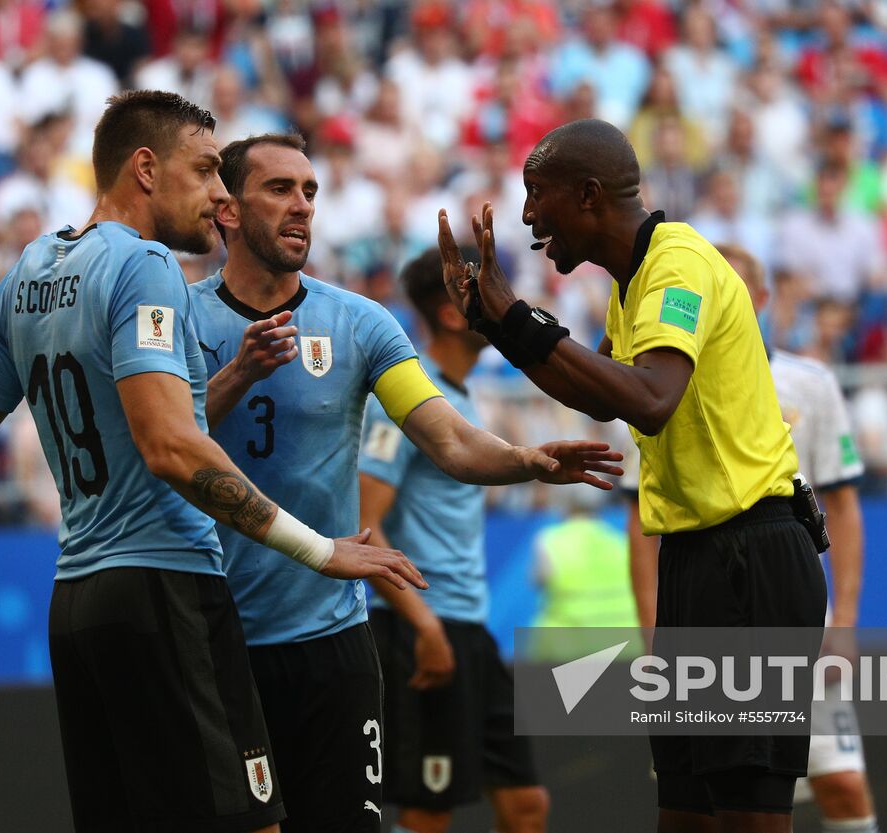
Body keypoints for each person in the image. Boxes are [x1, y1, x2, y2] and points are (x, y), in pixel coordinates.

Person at [0, 91, 426, 833]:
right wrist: (320, 549)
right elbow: (169, 445)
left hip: (78, 604)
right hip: (167, 591)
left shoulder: (31, 272)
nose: (219, 194)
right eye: (204, 171)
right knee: (254, 824)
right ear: (145, 168)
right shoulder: (145, 265)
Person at [187, 133, 620, 833]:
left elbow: (447, 436)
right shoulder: (180, 319)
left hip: (334, 638)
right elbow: (159, 441)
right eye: (279, 189)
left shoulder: (360, 323)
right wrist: (237, 375)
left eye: (310, 191)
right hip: (218, 634)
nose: (301, 206)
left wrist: (526, 459)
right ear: (227, 210)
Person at [440, 118, 827, 831]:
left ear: (588, 196)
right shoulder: (636, 279)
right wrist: (498, 325)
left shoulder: (677, 266)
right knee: (683, 810)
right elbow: (595, 388)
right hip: (700, 556)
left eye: (537, 194)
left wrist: (517, 318)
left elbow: (650, 399)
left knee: (748, 815)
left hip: (750, 558)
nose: (527, 215)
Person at [358, 247, 551, 833]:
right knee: (427, 811)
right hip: (422, 629)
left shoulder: (460, 402)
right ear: (450, 314)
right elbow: (367, 528)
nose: (505, 306)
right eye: (487, 295)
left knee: (526, 804)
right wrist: (425, 625)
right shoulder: (402, 402)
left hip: (470, 629)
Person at [716, 244, 878, 833]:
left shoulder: (809, 382)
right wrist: (652, 629)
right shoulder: (663, 386)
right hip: (708, 609)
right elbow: (641, 524)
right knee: (717, 799)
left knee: (841, 781)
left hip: (797, 604)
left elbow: (843, 505)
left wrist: (845, 623)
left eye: (735, 289)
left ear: (761, 300)